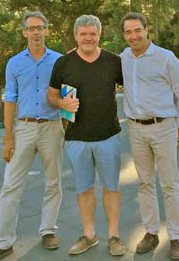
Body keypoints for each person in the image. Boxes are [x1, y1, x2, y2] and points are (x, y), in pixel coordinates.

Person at [0, 11, 64, 261]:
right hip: (24, 128)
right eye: (31, 28)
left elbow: (67, 95)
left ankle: (48, 230)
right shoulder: (14, 63)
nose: (36, 32)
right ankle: (3, 242)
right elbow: (10, 98)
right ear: (24, 32)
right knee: (10, 185)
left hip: (52, 127)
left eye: (40, 27)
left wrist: (67, 129)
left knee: (54, 182)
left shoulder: (59, 61)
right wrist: (8, 136)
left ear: (47, 30)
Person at [47, 14, 126, 256]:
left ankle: (114, 236)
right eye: (83, 34)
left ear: (99, 35)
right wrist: (62, 103)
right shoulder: (63, 63)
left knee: (111, 187)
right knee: (84, 189)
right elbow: (51, 95)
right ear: (76, 36)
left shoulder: (114, 61)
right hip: (76, 138)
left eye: (92, 33)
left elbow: (133, 84)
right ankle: (89, 235)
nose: (88, 38)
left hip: (108, 136)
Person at [119, 12, 179, 260]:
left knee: (170, 184)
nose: (133, 36)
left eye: (137, 30)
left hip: (163, 126)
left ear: (146, 29)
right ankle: (151, 233)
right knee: (145, 183)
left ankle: (176, 237)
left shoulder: (165, 58)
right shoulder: (123, 58)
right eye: (128, 32)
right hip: (135, 128)